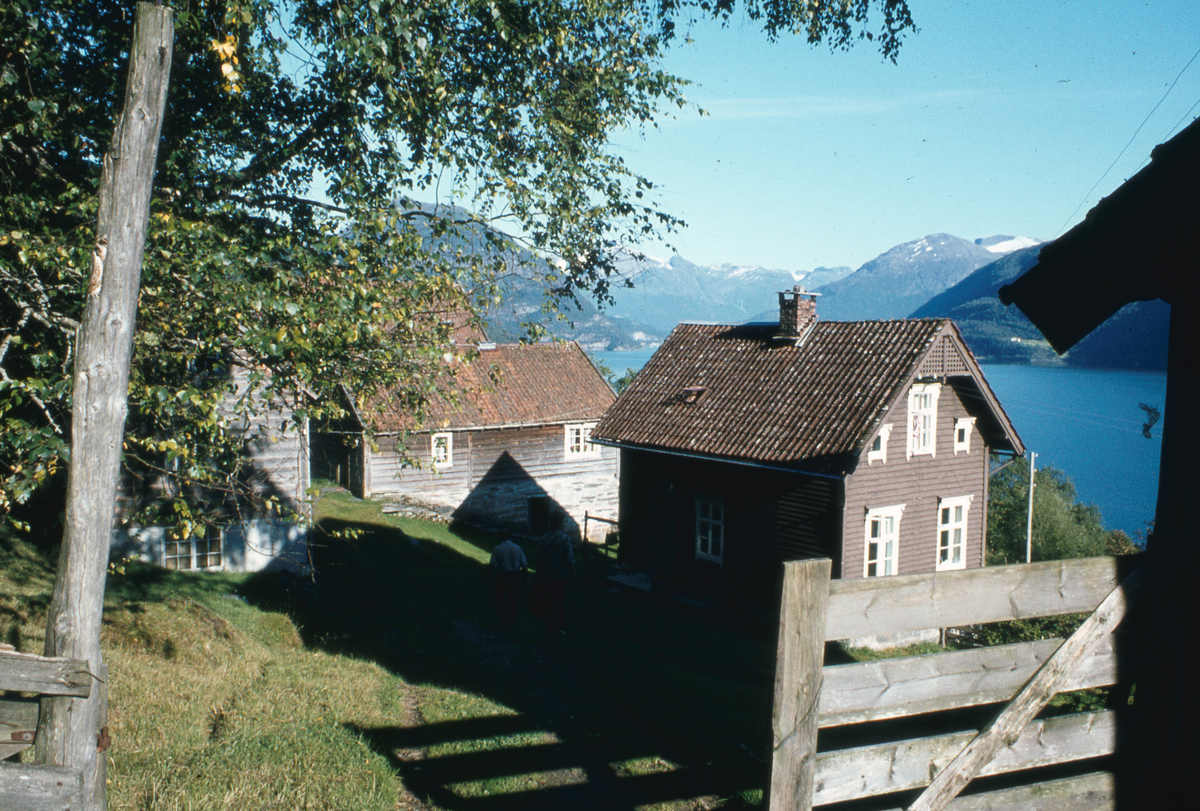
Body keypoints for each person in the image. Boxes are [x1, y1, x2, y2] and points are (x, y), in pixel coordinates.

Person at [536, 524, 575, 638]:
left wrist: (538, 576)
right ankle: (561, 629)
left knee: (548, 603)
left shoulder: (543, 538)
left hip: (547, 575)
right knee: (559, 603)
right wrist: (573, 577)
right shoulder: (565, 539)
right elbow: (570, 559)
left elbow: (539, 558)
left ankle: (550, 629)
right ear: (561, 523)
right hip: (560, 576)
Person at [489, 539, 527, 627]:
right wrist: (525, 578)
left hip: (503, 575)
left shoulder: (498, 549)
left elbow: (492, 564)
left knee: (500, 598)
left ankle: (504, 619)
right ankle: (514, 619)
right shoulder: (517, 548)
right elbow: (524, 565)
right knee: (514, 598)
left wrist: (489, 576)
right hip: (515, 575)